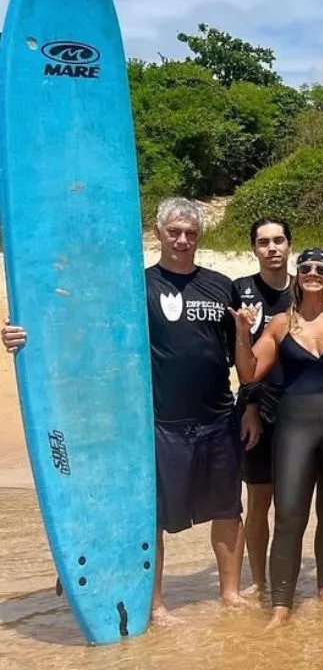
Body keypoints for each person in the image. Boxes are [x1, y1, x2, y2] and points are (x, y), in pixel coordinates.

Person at [3, 198, 258, 623]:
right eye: (174, 231)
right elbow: (82, 332)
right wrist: (22, 336)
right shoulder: (135, 287)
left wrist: (247, 388)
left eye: (190, 232)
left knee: (229, 510)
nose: (182, 239)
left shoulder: (221, 286)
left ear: (200, 236)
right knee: (153, 516)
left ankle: (229, 593)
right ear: (157, 233)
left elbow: (244, 363)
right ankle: (155, 603)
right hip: (158, 424)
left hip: (217, 417)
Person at [232, 247, 323, 629]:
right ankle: (282, 604)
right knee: (289, 515)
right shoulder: (281, 323)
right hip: (294, 427)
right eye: (306, 268)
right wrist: (241, 334)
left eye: (320, 268)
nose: (312, 273)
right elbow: (249, 373)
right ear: (298, 275)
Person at [233, 217, 295, 595]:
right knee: (259, 498)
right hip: (257, 409)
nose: (272, 248)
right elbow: (239, 360)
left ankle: (290, 577)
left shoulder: (306, 289)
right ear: (254, 249)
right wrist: (250, 408)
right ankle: (258, 580)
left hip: (299, 410)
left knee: (294, 502)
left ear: (290, 245)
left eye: (278, 240)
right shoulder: (240, 291)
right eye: (263, 242)